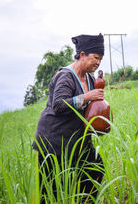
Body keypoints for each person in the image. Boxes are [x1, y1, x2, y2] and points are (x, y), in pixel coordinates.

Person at [32, 33, 105, 202]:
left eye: (100, 59)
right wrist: (87, 97)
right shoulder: (66, 76)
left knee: (95, 171)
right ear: (82, 55)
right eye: (95, 57)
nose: (98, 62)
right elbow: (58, 106)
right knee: (50, 193)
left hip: (76, 141)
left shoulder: (89, 78)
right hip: (53, 143)